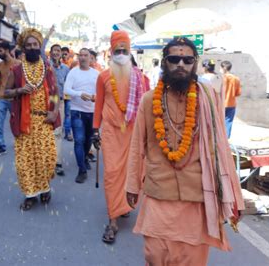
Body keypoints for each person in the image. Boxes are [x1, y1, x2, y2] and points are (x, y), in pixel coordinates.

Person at [126, 37, 244, 265]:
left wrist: (230, 194)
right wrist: (132, 184)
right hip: (159, 192)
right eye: (174, 59)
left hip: (196, 195)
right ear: (164, 63)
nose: (181, 64)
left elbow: (220, 146)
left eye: (187, 59)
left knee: (192, 259)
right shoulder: (149, 100)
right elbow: (136, 146)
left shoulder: (208, 99)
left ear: (195, 63)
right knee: (155, 255)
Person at [92, 30, 147, 244]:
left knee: (132, 173)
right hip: (111, 133)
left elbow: (148, 109)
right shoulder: (103, 76)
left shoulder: (141, 78)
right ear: (112, 52)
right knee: (112, 174)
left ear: (129, 51)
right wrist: (95, 130)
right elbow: (98, 106)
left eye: (125, 50)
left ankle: (124, 204)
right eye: (118, 50)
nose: (121, 54)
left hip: (134, 133)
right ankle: (113, 220)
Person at [4, 28, 60, 211]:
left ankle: (45, 188)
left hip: (44, 121)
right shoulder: (17, 70)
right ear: (23, 48)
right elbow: (4, 93)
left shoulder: (48, 68)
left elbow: (54, 93)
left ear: (40, 46)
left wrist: (55, 111)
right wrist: (19, 91)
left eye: (35, 44)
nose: (32, 48)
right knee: (26, 161)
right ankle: (30, 195)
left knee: (46, 159)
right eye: (28, 45)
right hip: (24, 122)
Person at [64, 48, 99, 183]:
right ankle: (82, 170)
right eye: (81, 55)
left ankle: (84, 159)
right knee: (79, 140)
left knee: (88, 140)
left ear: (91, 58)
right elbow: (66, 90)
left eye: (86, 55)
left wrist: (96, 97)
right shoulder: (73, 72)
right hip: (77, 110)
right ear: (78, 58)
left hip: (92, 111)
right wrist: (79, 94)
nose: (83, 58)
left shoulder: (96, 74)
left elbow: (100, 91)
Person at [0, 41, 20, 157]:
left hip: (15, 99)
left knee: (16, 124)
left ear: (7, 51)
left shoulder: (18, 64)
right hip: (2, 99)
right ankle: (1, 146)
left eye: (0, 51)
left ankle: (19, 144)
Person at [50, 43, 70, 176]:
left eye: (58, 50)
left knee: (57, 132)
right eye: (54, 51)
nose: (56, 53)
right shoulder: (45, 66)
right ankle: (46, 161)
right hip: (45, 103)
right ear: (50, 53)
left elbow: (68, 86)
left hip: (60, 103)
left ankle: (57, 162)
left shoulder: (66, 69)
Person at [221, 60, 241, 138]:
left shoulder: (220, 78)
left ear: (222, 68)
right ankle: (226, 140)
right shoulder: (236, 79)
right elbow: (238, 93)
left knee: (218, 122)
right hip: (231, 104)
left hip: (221, 103)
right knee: (228, 122)